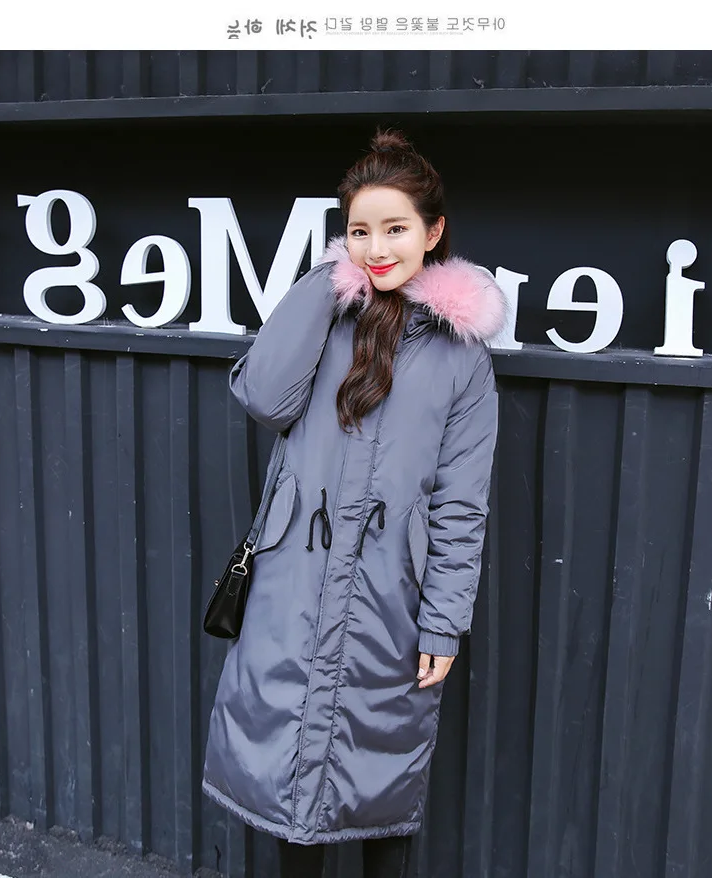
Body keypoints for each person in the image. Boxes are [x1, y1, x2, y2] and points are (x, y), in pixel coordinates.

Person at [202, 127, 507, 878]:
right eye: (359, 231)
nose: (377, 247)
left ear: (432, 232)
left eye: (395, 228)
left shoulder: (462, 357)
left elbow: (461, 504)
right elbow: (264, 396)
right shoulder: (327, 313)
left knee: (382, 782)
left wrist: (444, 620)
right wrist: (325, 283)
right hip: (293, 584)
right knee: (288, 779)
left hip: (390, 597)